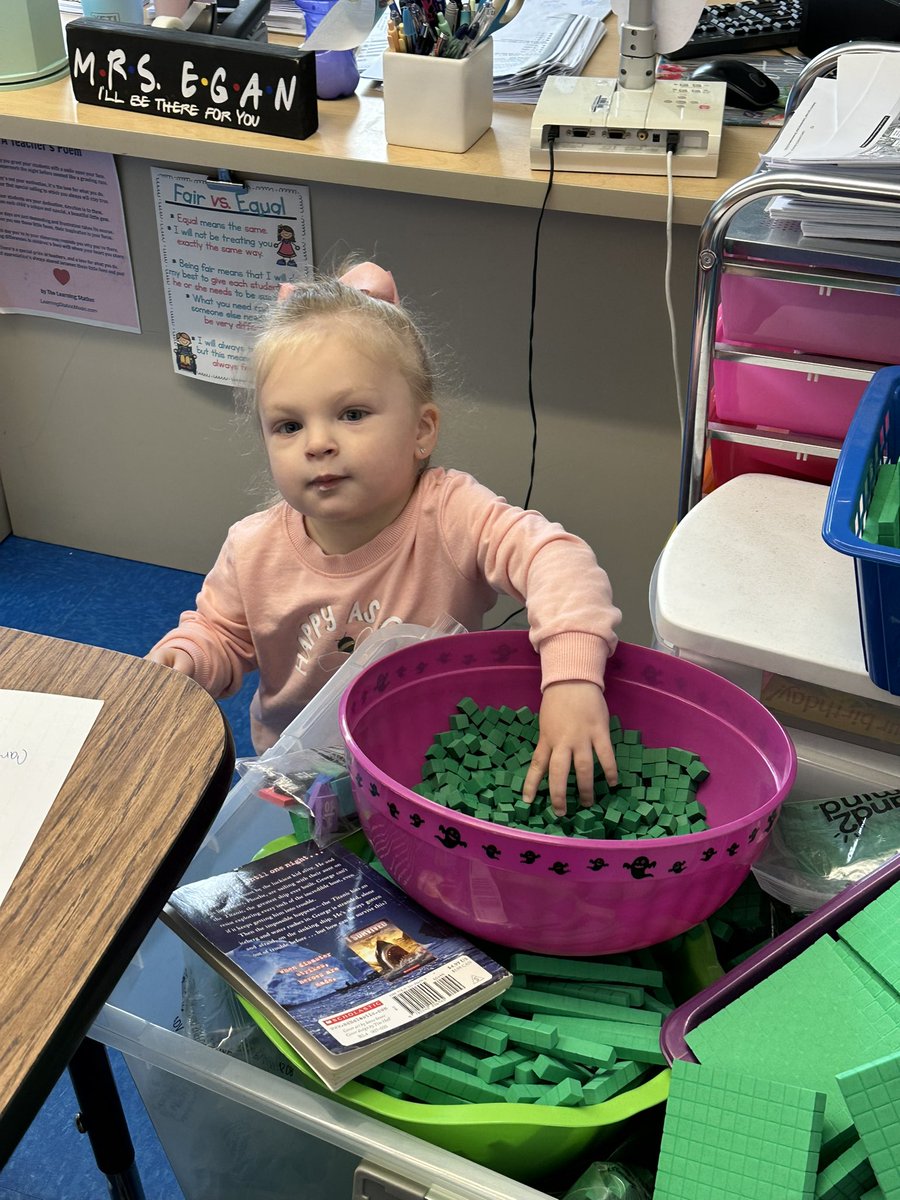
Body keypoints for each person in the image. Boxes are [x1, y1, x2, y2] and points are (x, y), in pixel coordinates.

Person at [147, 262, 622, 813]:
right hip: (300, 785)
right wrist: (187, 659)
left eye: (352, 414)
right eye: (288, 425)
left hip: (435, 775)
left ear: (421, 430)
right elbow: (221, 636)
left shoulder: (451, 513)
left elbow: (556, 559)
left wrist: (570, 679)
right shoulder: (252, 547)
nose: (318, 443)